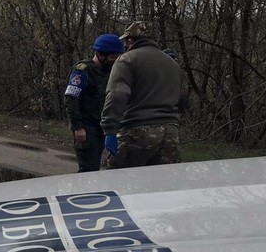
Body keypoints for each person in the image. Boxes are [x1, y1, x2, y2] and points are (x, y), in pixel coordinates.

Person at [101, 21, 183, 169]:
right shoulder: (173, 64)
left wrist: (110, 129)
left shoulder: (127, 60)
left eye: (125, 41)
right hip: (170, 133)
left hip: (138, 130)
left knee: (116, 180)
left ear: (130, 41)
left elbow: (117, 95)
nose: (124, 46)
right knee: (162, 185)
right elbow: (181, 100)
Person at [64, 34, 124, 172]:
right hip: (86, 127)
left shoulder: (111, 72)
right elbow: (71, 99)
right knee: (88, 170)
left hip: (102, 127)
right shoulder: (82, 71)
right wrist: (77, 127)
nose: (115, 61)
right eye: (112, 57)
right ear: (101, 55)